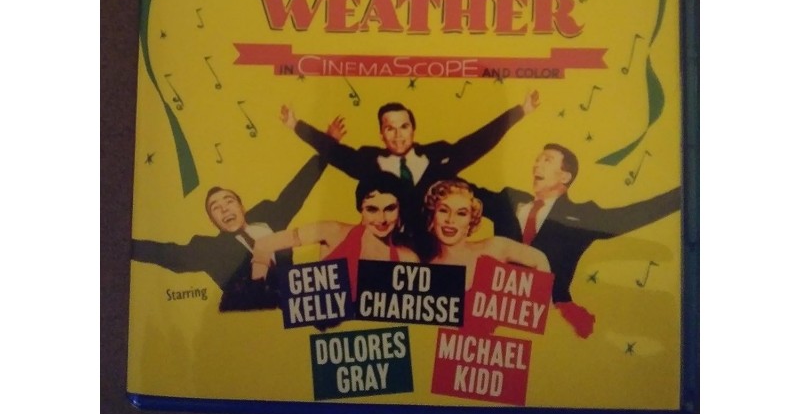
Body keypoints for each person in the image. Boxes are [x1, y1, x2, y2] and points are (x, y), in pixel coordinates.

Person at [281, 91, 541, 256]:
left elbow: (477, 143)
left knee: (499, 205)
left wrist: (521, 110)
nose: (398, 135)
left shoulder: (437, 156)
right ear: (381, 134)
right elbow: (335, 152)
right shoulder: (369, 162)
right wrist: (295, 125)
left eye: (403, 127)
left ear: (413, 130)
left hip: (438, 250)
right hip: (394, 253)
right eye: (390, 129)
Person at [131, 117, 344, 312]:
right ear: (213, 221)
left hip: (297, 306)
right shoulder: (209, 250)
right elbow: (166, 253)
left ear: (242, 208)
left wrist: (327, 146)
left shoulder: (269, 216)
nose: (224, 209)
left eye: (229, 201)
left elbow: (297, 189)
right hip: (256, 320)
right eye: (215, 208)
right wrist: (125, 245)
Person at [473, 143, 681, 338]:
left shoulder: (581, 217)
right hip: (493, 313)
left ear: (564, 176)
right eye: (537, 159)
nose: (537, 164)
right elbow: (462, 190)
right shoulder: (509, 200)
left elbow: (630, 216)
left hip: (550, 323)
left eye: (547, 160)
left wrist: (685, 192)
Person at [250, 171, 418, 299]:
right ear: (360, 209)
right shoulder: (332, 232)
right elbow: (263, 245)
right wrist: (258, 291)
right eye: (372, 209)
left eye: (390, 209)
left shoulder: (408, 259)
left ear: (399, 210)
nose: (381, 219)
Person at [423, 179, 549, 288]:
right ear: (433, 216)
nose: (451, 220)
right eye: (443, 210)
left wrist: (544, 302)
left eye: (461, 213)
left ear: (471, 220)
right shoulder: (429, 270)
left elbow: (540, 259)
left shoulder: (494, 247)